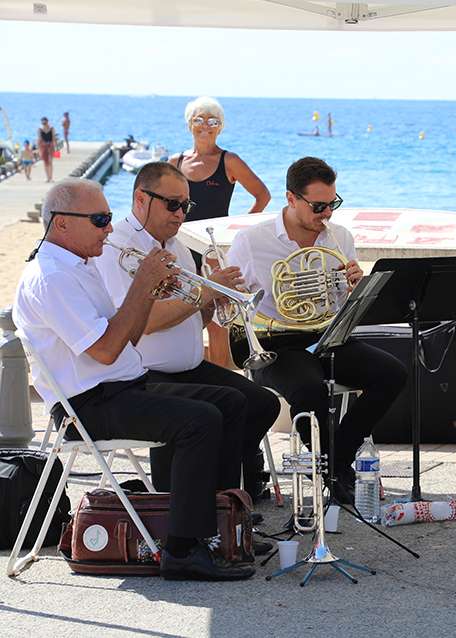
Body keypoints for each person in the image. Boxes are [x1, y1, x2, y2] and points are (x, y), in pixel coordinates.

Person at [13, 179, 253, 580]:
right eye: (100, 219)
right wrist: (142, 283)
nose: (110, 229)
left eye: (108, 218)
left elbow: (130, 336)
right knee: (200, 420)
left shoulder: (81, 267)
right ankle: (181, 549)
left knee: (231, 401)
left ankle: (219, 528)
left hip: (120, 386)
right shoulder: (51, 277)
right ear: (61, 224)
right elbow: (105, 351)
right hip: (88, 404)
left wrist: (149, 292)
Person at [94, 162, 281, 501]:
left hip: (188, 366)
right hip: (146, 372)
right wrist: (206, 291)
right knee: (227, 406)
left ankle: (226, 492)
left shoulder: (177, 247)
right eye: (172, 204)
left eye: (186, 206)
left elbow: (195, 315)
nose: (181, 214)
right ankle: (205, 498)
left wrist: (217, 300)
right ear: (140, 198)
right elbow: (143, 323)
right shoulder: (117, 248)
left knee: (262, 403)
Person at [226, 156, 406, 504]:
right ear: (291, 199)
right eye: (319, 206)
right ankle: (337, 471)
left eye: (333, 204)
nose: (327, 214)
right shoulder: (252, 241)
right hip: (275, 343)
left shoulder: (339, 237)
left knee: (393, 373)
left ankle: (335, 462)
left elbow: (342, 307)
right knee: (309, 389)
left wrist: (356, 289)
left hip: (326, 336)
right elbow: (231, 303)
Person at [170, 96, 271, 369]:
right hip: (179, 247)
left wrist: (236, 232)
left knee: (217, 322)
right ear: (189, 124)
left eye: (213, 121)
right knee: (179, 315)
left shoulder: (229, 161)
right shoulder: (175, 161)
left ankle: (222, 377)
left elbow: (262, 195)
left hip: (212, 251)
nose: (206, 126)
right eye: (199, 120)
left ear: (221, 127)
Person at [36, 117, 56, 182]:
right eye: (43, 123)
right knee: (45, 162)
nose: (44, 124)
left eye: (45, 122)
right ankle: (48, 177)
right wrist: (39, 149)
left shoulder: (52, 128)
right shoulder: (40, 129)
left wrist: (55, 147)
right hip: (43, 147)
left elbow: (53, 138)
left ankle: (51, 177)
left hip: (50, 146)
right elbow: (39, 139)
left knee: (50, 161)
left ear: (47, 122)